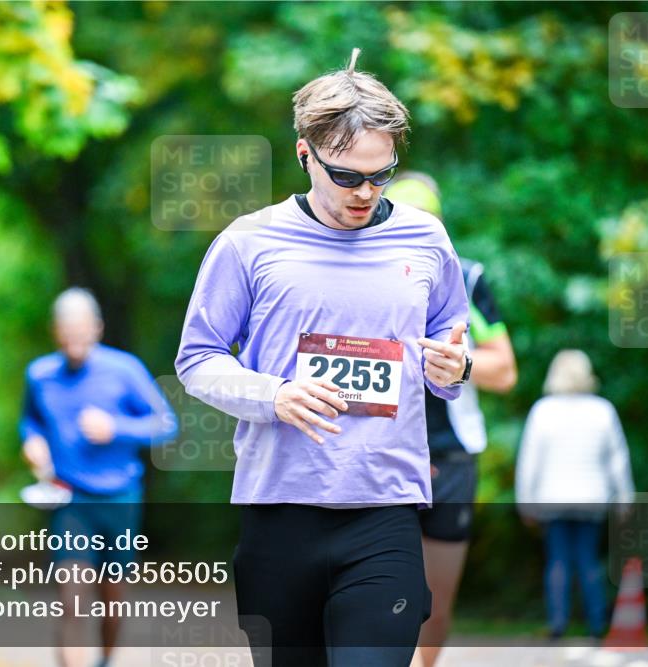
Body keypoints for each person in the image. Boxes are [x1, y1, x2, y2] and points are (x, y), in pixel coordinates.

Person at [175, 49, 472, 667]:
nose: (365, 192)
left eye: (381, 175)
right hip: (279, 508)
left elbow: (449, 340)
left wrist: (454, 369)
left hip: (386, 508)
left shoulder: (425, 237)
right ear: (305, 154)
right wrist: (273, 395)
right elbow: (198, 358)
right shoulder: (248, 242)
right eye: (346, 176)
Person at [385, 173, 518, 667]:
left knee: (436, 600)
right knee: (376, 590)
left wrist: (457, 364)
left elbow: (505, 371)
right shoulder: (354, 275)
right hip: (376, 451)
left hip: (450, 453)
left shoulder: (465, 277)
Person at [19, 287, 177, 667]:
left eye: (81, 329)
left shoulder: (124, 370)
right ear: (55, 331)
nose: (74, 338)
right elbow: (30, 420)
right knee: (71, 601)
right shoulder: (39, 374)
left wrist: (116, 427)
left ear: (97, 328)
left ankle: (105, 660)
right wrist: (32, 441)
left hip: (120, 497)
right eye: (66, 330)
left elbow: (166, 424)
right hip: (70, 498)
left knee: (112, 601)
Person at [515, 349, 634, 640]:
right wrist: (625, 499)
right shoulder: (603, 410)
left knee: (558, 560)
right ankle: (596, 625)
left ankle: (558, 623)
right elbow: (618, 460)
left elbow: (529, 460)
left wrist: (525, 501)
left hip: (552, 497)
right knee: (588, 558)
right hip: (592, 498)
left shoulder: (543, 410)